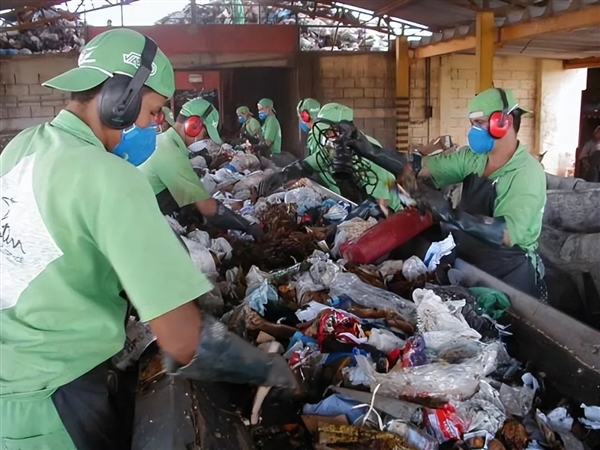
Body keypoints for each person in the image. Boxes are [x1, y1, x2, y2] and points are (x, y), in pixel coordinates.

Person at [0, 28, 294, 449]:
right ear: (122, 98)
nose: (154, 124)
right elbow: (182, 340)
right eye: (152, 110)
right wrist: (267, 370)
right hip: (58, 402)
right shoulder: (111, 177)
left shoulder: (22, 146)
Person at [348, 87, 547, 299]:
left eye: (479, 123)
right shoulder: (475, 158)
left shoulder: (527, 173)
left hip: (510, 276)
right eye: (472, 124)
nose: (473, 131)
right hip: (472, 262)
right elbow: (420, 166)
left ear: (502, 122)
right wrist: (368, 149)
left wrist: (449, 213)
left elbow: (506, 233)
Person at [140, 98, 262, 236]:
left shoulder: (165, 142)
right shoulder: (171, 153)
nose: (205, 139)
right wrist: (248, 226)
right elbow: (207, 208)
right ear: (193, 126)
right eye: (205, 132)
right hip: (142, 223)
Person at [259, 102, 402, 214]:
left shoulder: (368, 153)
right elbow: (308, 165)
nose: (327, 137)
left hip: (391, 213)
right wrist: (283, 175)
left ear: (344, 129)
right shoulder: (335, 149)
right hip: (360, 204)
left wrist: (355, 216)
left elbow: (381, 201)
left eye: (329, 132)